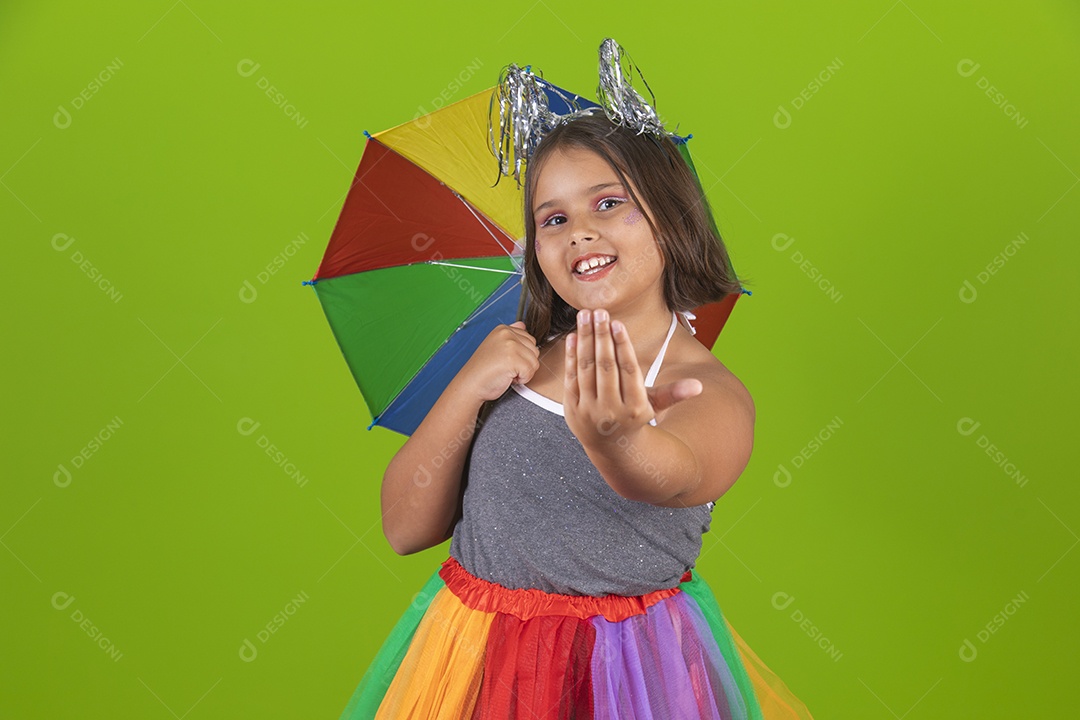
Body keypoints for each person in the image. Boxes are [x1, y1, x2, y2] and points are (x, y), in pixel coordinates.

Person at [338, 45, 814, 720]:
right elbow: (404, 527)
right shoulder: (519, 360)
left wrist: (618, 436)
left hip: (623, 679)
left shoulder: (705, 389)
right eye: (553, 219)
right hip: (474, 665)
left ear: (671, 222)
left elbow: (672, 474)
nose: (579, 233)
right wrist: (469, 385)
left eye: (609, 203)